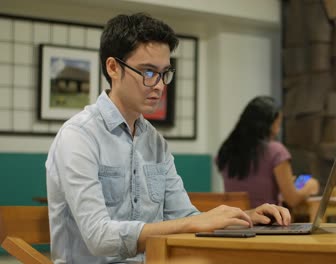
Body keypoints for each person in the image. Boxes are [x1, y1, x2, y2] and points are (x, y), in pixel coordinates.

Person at [45, 13, 290, 263]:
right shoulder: (78, 136)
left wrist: (246, 218)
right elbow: (99, 237)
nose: (160, 85)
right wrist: (196, 221)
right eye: (148, 72)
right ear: (113, 67)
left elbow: (184, 216)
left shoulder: (155, 142)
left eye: (165, 73)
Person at [216, 96, 320, 208]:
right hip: (266, 221)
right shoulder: (276, 151)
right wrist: (310, 187)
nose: (278, 130)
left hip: (235, 222)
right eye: (278, 124)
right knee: (307, 182)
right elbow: (292, 199)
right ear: (269, 124)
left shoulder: (225, 152)